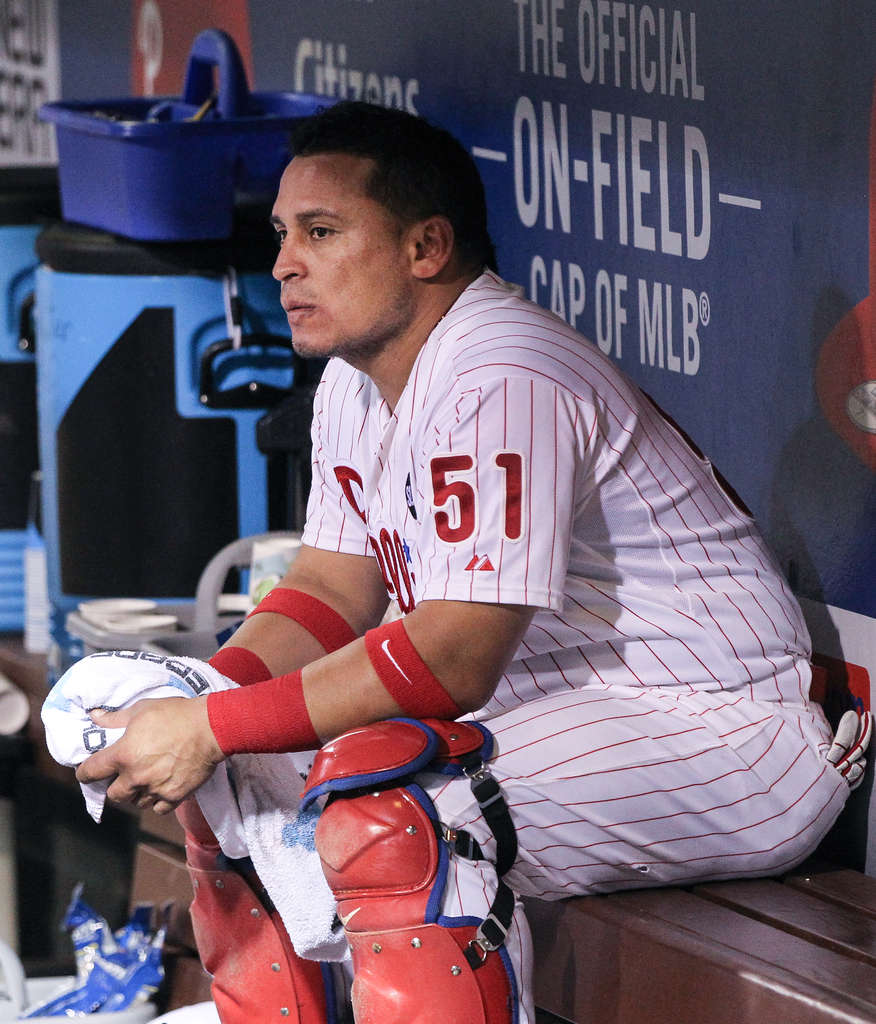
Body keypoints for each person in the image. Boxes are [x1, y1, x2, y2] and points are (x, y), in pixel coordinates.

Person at [73, 100, 869, 1024]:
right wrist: (198, 694)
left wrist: (215, 720)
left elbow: (452, 655)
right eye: (284, 232)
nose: (285, 262)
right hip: (577, 711)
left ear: (426, 247)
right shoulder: (355, 382)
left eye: (323, 232)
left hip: (717, 734)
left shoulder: (501, 370)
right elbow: (331, 590)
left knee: (402, 822)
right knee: (237, 782)